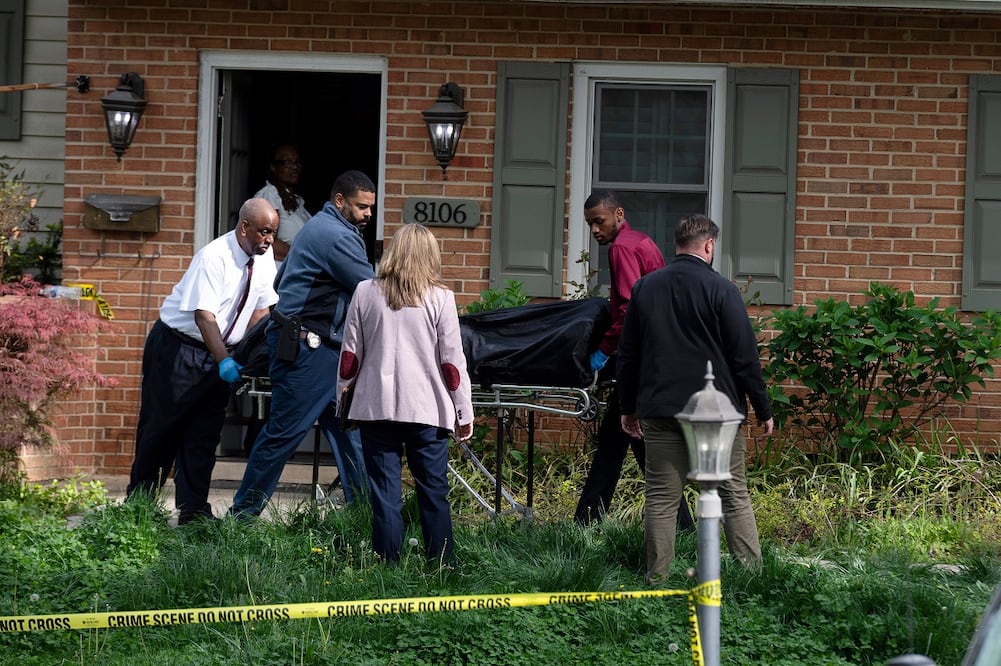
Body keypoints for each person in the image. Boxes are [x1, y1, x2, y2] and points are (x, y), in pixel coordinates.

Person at [617, 213, 774, 584]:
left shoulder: (645, 288)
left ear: (676, 244)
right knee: (733, 491)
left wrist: (628, 407)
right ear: (709, 245)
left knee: (660, 498)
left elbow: (629, 354)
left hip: (660, 407)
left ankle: (657, 580)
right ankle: (752, 578)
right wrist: (762, 407)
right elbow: (744, 357)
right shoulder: (723, 291)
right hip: (715, 413)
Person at [229, 170, 377, 517]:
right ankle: (241, 519)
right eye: (361, 207)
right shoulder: (335, 236)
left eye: (371, 207)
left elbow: (284, 280)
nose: (368, 214)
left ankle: (365, 517)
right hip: (307, 351)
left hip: (320, 349)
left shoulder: (322, 227)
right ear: (340, 201)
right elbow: (371, 291)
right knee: (282, 436)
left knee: (349, 436)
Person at [127, 198, 279, 524]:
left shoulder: (264, 260)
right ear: (244, 227)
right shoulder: (214, 256)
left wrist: (253, 355)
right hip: (179, 349)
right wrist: (224, 359)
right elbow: (204, 316)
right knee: (161, 429)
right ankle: (138, 508)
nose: (269, 239)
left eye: (273, 233)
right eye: (264, 232)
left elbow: (261, 310)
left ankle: (193, 511)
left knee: (204, 435)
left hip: (218, 354)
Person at [337, 223, 473, 565]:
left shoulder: (364, 292)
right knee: (434, 492)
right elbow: (452, 364)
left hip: (376, 407)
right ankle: (442, 565)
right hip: (427, 410)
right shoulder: (441, 298)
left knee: (385, 494)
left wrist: (343, 399)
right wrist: (463, 412)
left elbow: (349, 359)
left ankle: (388, 567)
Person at [574, 190, 695, 531]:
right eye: (590, 224)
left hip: (638, 357)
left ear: (619, 214)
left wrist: (604, 350)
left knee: (629, 441)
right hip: (656, 352)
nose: (595, 229)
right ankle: (587, 521)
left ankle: (681, 527)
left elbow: (627, 308)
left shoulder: (622, 248)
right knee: (621, 442)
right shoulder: (642, 241)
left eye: (599, 221)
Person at [253, 144, 311, 264]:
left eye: (297, 162)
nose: (294, 167)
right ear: (273, 167)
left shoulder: (296, 200)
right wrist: (304, 256)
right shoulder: (269, 195)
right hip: (277, 271)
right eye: (288, 162)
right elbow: (265, 241)